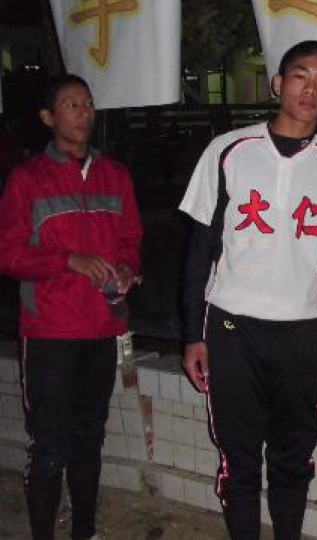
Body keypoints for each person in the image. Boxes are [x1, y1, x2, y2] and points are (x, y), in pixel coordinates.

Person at [179, 40, 317, 540]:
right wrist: (193, 334)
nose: (310, 89)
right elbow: (199, 250)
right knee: (239, 460)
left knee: (293, 457)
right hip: (232, 326)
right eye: (300, 76)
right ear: (278, 84)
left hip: (301, 333)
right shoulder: (228, 151)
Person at [0, 74, 143, 540]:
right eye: (72, 105)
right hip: (50, 332)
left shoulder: (115, 175)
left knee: (89, 439)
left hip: (101, 328)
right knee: (49, 447)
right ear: (48, 117)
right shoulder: (27, 179)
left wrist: (127, 269)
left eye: (88, 103)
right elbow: (9, 253)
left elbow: (130, 240)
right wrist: (67, 259)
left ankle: (84, 531)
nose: (84, 113)